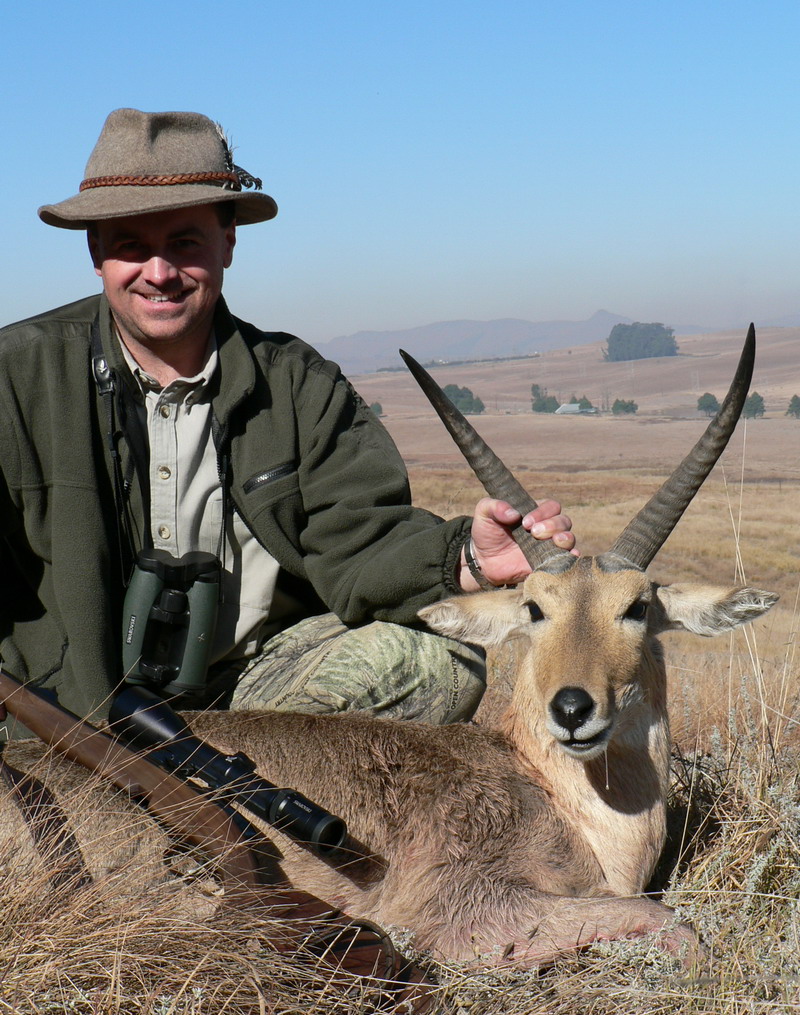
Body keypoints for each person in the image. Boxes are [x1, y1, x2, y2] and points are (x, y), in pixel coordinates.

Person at [0, 109, 574, 723]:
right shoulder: (16, 374)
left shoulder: (299, 383)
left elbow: (360, 543)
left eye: (185, 243)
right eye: (132, 246)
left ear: (228, 242)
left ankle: (254, 791)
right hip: (66, 704)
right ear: (96, 252)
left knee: (439, 664)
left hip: (258, 690)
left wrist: (469, 559)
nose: (160, 273)